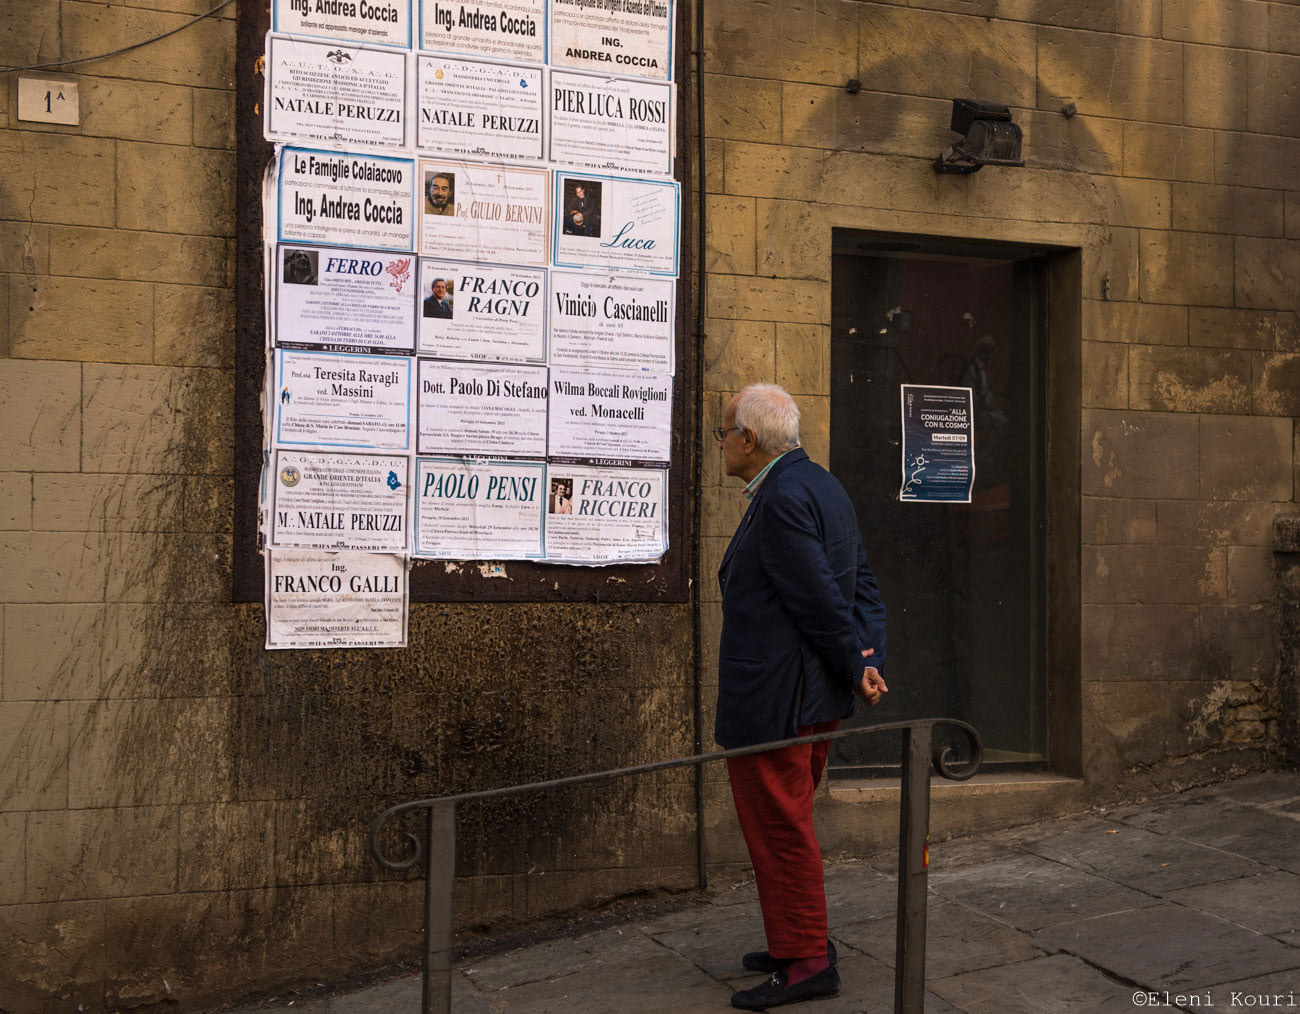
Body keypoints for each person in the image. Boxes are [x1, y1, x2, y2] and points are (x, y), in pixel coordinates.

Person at [714, 383, 887, 1011]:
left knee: (780, 828)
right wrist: (867, 657)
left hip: (778, 700)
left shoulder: (783, 497)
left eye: (723, 433)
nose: (720, 443)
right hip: (812, 695)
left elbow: (818, 600)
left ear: (748, 439)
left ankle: (810, 960)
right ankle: (796, 941)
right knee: (786, 822)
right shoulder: (822, 484)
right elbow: (861, 585)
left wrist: (855, 663)